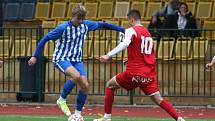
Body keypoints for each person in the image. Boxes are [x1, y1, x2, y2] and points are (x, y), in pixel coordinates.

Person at [28, 5, 124, 120]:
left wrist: (123, 30)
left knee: (85, 85)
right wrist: (35, 56)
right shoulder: (62, 28)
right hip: (62, 58)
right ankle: (62, 99)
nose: (81, 21)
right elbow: (45, 39)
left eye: (83, 18)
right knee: (76, 75)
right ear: (73, 16)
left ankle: (77, 114)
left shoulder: (86, 25)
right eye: (79, 18)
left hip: (77, 60)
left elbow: (103, 25)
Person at [93, 9, 185, 121]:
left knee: (110, 84)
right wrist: (131, 58)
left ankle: (107, 117)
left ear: (131, 19)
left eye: (129, 21)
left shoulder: (131, 30)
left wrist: (108, 55)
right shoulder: (147, 33)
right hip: (148, 74)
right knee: (159, 99)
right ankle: (179, 118)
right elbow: (147, 52)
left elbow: (125, 43)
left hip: (134, 72)